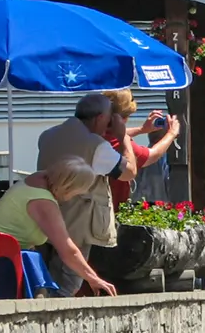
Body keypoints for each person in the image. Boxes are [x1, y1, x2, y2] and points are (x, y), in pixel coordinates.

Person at [36, 93, 138, 296]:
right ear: (100, 118)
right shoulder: (95, 146)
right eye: (109, 119)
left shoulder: (48, 135)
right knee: (68, 283)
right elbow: (129, 172)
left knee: (44, 280)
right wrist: (122, 138)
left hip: (43, 216)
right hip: (78, 222)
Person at [0, 157, 117, 296]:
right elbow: (68, 250)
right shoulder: (43, 202)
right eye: (76, 193)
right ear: (67, 188)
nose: (74, 197)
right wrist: (94, 279)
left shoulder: (37, 178)